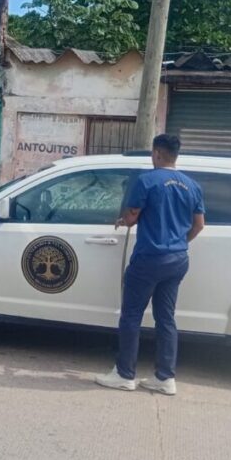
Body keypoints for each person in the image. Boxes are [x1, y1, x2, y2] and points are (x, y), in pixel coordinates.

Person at [96, 134, 205, 396]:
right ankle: (165, 378)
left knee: (131, 315)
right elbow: (199, 225)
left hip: (149, 258)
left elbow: (132, 218)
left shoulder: (146, 181)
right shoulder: (192, 186)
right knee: (166, 318)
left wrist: (123, 218)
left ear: (157, 153)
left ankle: (124, 374)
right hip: (178, 259)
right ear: (175, 155)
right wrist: (179, 241)